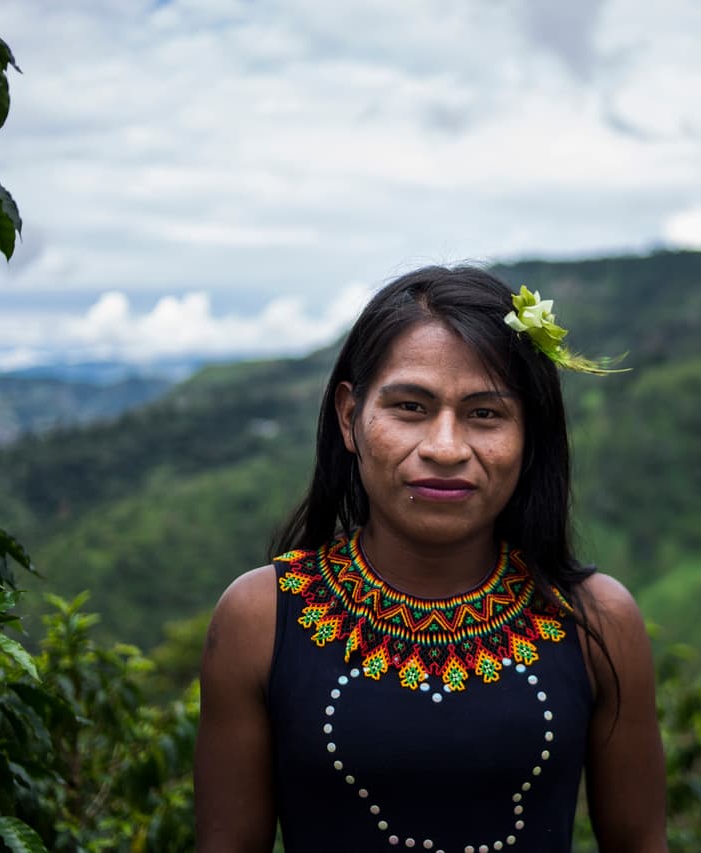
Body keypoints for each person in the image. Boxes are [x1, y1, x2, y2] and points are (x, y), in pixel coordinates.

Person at [195, 265, 667, 852]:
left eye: (485, 414)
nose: (445, 448)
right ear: (350, 417)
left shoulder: (598, 621)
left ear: (531, 434)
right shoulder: (259, 618)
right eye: (411, 407)